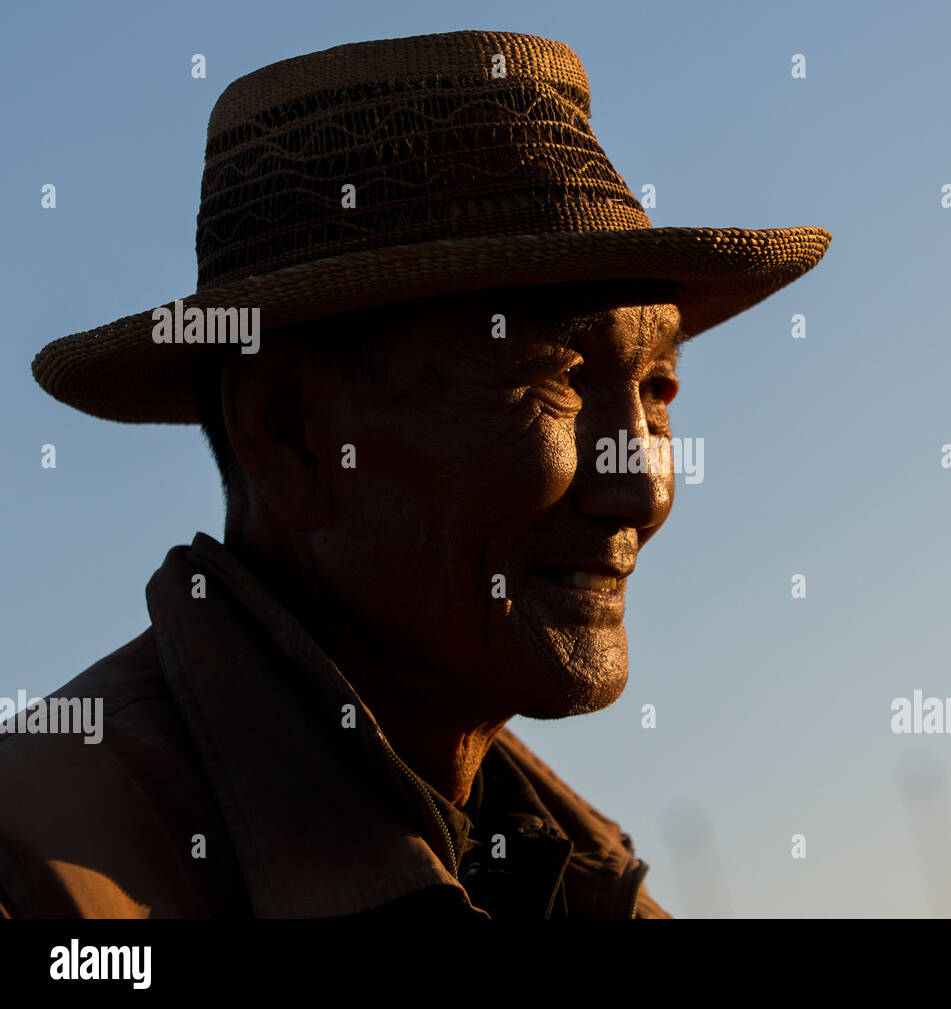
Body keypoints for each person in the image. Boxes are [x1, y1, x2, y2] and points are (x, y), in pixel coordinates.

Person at [2, 29, 830, 918]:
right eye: (556, 378)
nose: (642, 487)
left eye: (657, 387)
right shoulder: (40, 881)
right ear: (291, 431)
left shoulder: (577, 887)